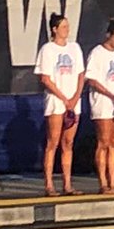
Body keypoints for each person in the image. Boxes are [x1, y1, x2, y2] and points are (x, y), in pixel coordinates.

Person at [35, 13, 85, 196]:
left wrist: (75, 98)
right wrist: (64, 99)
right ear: (55, 29)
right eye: (63, 27)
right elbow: (45, 78)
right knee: (53, 142)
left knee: (68, 143)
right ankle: (49, 184)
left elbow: (81, 74)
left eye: (67, 26)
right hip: (57, 101)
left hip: (73, 101)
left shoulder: (75, 48)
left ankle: (67, 183)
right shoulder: (48, 49)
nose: (67, 30)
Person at [86, 19, 114, 195]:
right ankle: (103, 182)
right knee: (103, 142)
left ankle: (113, 181)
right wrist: (111, 95)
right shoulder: (97, 53)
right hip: (104, 103)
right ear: (108, 36)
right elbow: (92, 80)